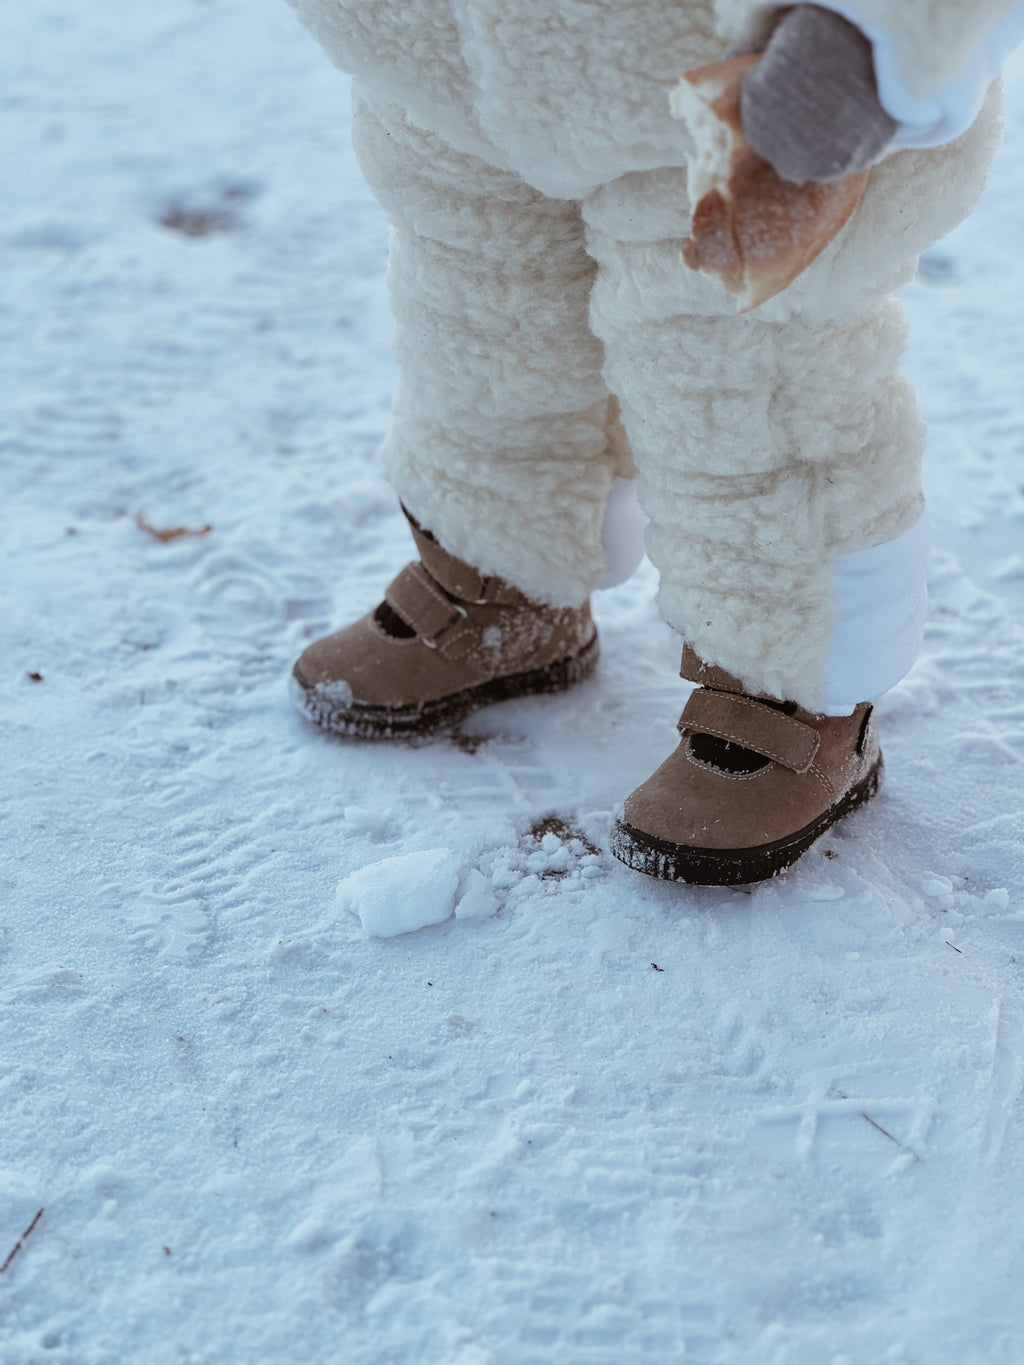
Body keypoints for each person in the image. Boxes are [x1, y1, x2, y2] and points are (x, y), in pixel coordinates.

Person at [285, 1, 1022, 885]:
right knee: (482, 316)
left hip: (722, 74)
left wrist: (872, 37)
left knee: (749, 377)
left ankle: (790, 684)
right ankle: (499, 569)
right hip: (438, 54)